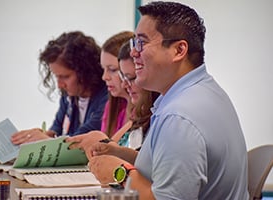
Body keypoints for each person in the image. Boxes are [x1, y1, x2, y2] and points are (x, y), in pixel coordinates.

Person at [87, 1, 249, 200]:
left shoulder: (179, 117)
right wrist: (122, 154)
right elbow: (171, 168)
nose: (133, 52)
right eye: (133, 43)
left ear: (179, 50)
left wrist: (119, 172)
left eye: (142, 43)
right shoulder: (202, 91)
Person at [66, 41, 159, 164]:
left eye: (131, 78)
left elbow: (146, 165)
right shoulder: (134, 116)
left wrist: (105, 143)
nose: (125, 84)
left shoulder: (157, 118)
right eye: (123, 76)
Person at [11, 31, 108, 145]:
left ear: (86, 71)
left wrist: (47, 140)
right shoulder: (69, 96)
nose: (59, 85)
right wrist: (35, 137)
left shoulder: (107, 97)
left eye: (65, 77)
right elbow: (56, 131)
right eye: (56, 77)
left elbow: (81, 139)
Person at [100, 31, 134, 138]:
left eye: (112, 69)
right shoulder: (111, 107)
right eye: (103, 69)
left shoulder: (149, 112)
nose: (104, 77)